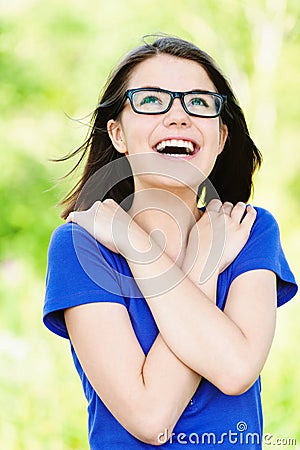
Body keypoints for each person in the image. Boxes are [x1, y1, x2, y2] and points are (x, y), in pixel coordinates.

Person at [43, 35, 298, 449]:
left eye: (199, 102)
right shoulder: (81, 247)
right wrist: (197, 262)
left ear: (220, 138)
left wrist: (140, 249)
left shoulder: (250, 230)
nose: (178, 116)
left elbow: (235, 370)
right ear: (118, 134)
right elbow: (151, 418)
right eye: (151, 100)